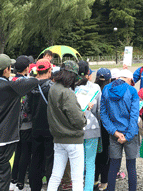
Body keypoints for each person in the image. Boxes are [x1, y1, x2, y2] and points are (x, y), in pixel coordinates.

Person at [0, 54, 38, 191]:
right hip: (6, 139)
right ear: (7, 69)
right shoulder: (9, 87)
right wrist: (36, 75)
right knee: (4, 174)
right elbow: (32, 83)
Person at [46, 61, 87, 191]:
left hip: (58, 138)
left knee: (56, 175)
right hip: (73, 140)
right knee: (77, 178)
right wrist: (83, 116)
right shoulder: (67, 93)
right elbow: (78, 120)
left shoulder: (53, 88)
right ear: (71, 76)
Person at [100, 69, 140, 191]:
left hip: (114, 134)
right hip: (130, 134)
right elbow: (134, 116)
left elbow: (103, 114)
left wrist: (115, 132)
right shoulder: (132, 91)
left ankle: (110, 189)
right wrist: (127, 136)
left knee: (114, 164)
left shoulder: (106, 89)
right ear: (128, 79)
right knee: (131, 165)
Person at [26, 59, 54, 191]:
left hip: (35, 127)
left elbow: (26, 108)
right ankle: (51, 186)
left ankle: (34, 187)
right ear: (49, 71)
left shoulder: (31, 87)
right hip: (50, 128)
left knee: (35, 159)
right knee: (50, 160)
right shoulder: (52, 87)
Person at [76, 61, 101, 191]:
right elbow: (98, 110)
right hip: (92, 127)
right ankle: (88, 189)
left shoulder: (71, 87)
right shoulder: (95, 87)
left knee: (78, 164)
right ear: (88, 73)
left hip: (76, 129)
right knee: (90, 163)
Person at [10, 56, 34, 191]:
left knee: (17, 151)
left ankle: (13, 179)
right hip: (26, 122)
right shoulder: (27, 82)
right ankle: (20, 182)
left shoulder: (11, 81)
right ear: (27, 68)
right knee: (25, 152)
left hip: (13, 122)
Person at [93, 68, 111, 191]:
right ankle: (104, 183)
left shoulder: (92, 88)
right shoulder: (109, 91)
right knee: (105, 155)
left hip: (92, 127)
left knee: (94, 156)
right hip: (105, 127)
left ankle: (94, 181)